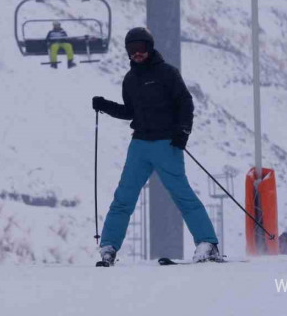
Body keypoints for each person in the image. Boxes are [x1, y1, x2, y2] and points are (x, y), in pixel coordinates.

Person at [91, 27, 220, 265]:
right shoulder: (130, 80)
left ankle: (208, 244)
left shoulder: (167, 73)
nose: (137, 53)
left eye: (141, 48)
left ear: (149, 48)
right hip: (139, 145)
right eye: (132, 49)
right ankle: (108, 247)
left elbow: (185, 103)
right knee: (123, 198)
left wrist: (183, 132)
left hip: (166, 144)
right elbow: (129, 112)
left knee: (182, 195)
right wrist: (105, 105)